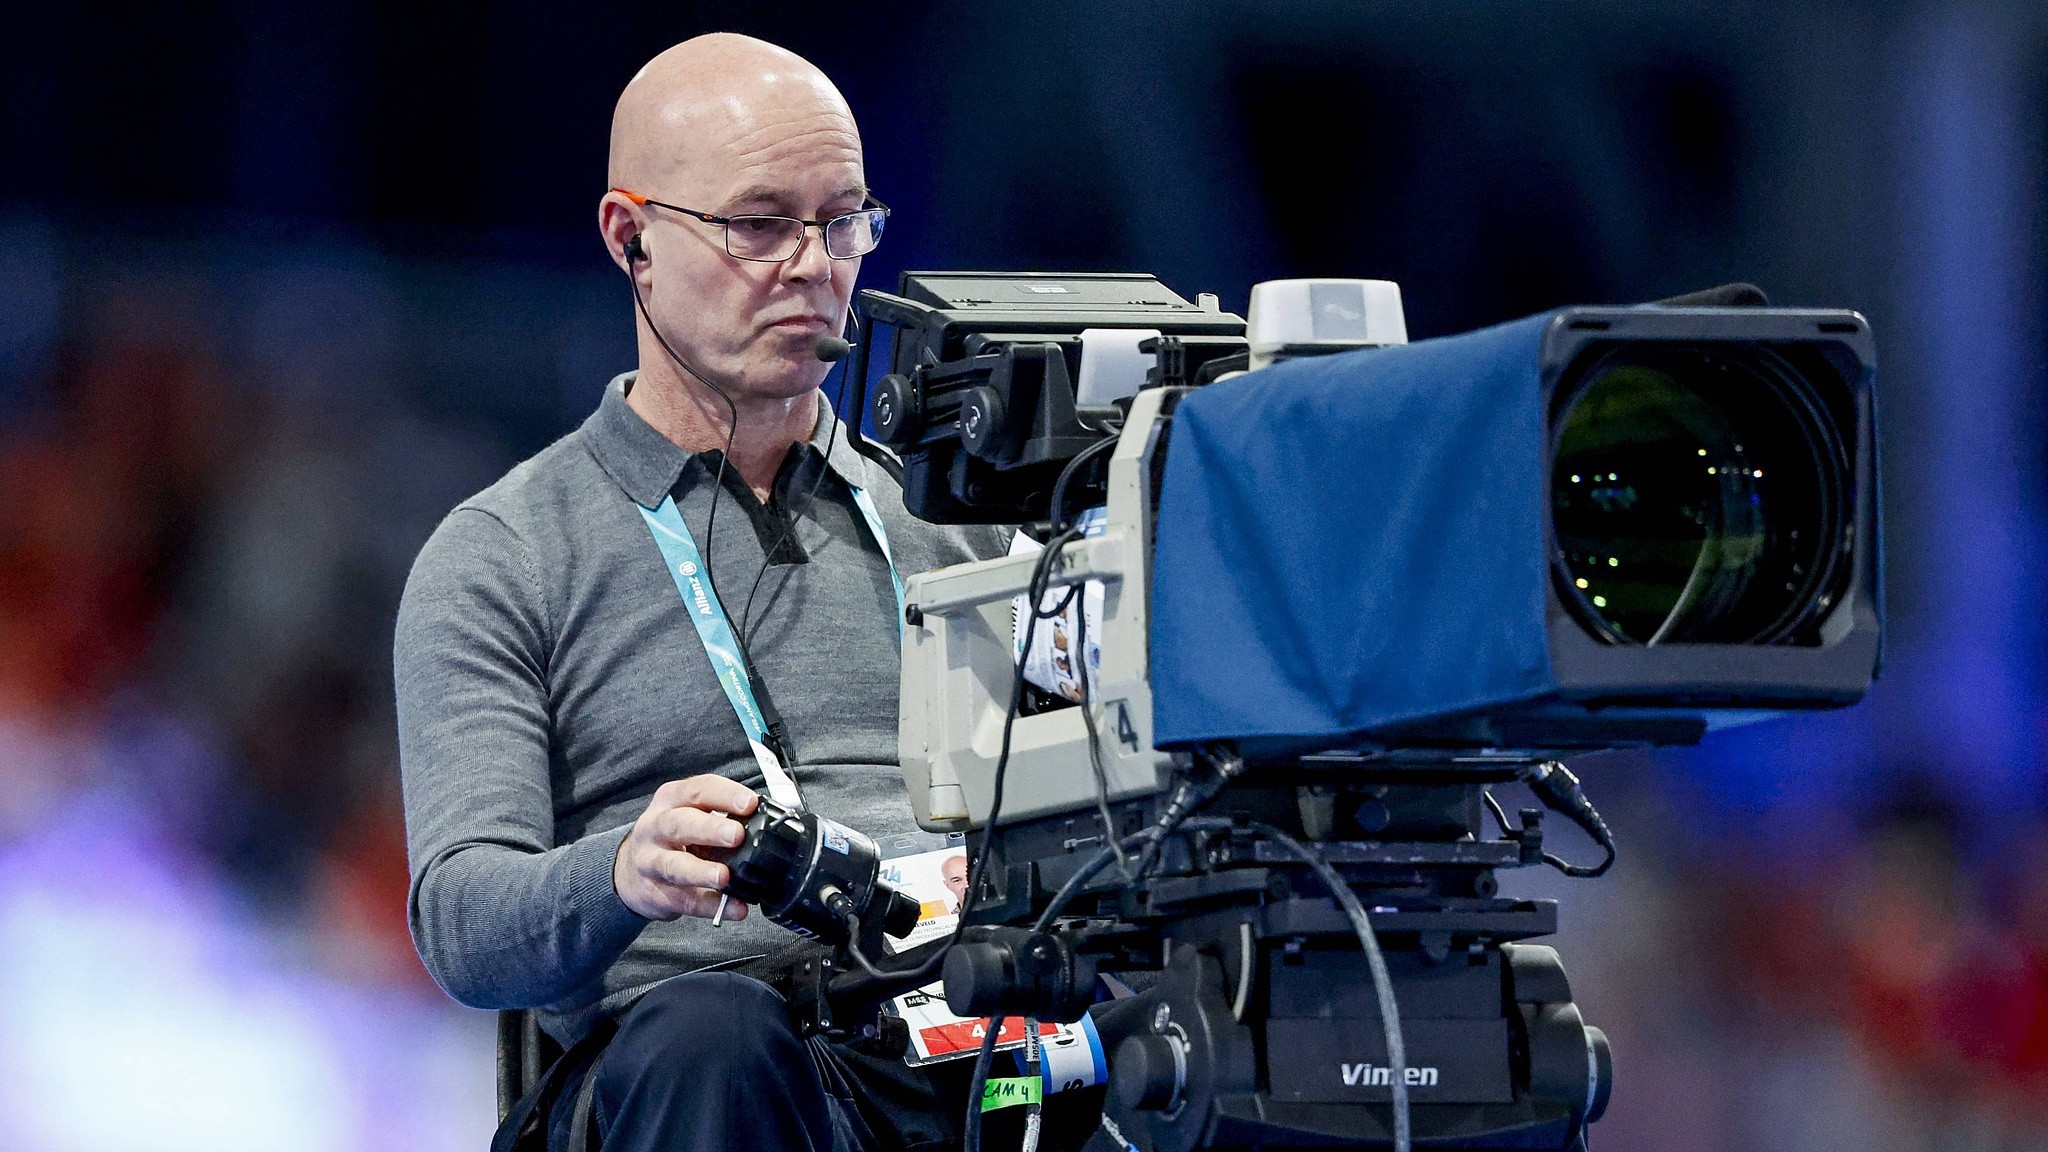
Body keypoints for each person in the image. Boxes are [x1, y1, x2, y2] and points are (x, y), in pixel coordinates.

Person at [395, 33, 1012, 1152]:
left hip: (961, 1038)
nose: (814, 265)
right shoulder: (502, 554)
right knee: (712, 1039)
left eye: (843, 222)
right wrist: (623, 869)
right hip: (703, 1061)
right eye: (758, 224)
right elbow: (461, 923)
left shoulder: (961, 526)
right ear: (629, 238)